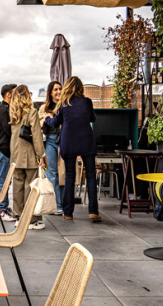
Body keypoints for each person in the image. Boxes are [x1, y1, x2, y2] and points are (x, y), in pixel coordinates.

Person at [50, 76, 100, 222]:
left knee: (70, 177)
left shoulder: (64, 104)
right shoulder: (87, 101)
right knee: (90, 176)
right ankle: (93, 211)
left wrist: (47, 118)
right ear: (80, 88)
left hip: (69, 142)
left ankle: (68, 212)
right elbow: (93, 119)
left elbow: (54, 123)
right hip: (86, 142)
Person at [9, 84, 46, 230]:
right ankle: (30, 219)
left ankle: (18, 216)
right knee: (31, 186)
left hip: (16, 154)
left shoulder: (13, 113)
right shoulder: (32, 112)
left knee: (18, 186)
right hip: (29, 155)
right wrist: (41, 155)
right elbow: (37, 135)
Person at [0, 83, 17, 221]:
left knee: (6, 181)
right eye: (15, 93)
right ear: (9, 94)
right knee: (2, 181)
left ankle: (4, 207)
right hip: (3, 150)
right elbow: (9, 131)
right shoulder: (3, 110)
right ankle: (0, 211)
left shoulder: (5, 108)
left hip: (3, 150)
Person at [40, 81, 64, 216]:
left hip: (64, 141)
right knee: (52, 174)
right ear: (50, 92)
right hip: (50, 141)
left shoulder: (65, 106)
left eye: (60, 89)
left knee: (64, 174)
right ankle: (56, 205)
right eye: (55, 89)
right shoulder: (45, 107)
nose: (58, 92)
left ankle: (64, 204)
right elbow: (40, 125)